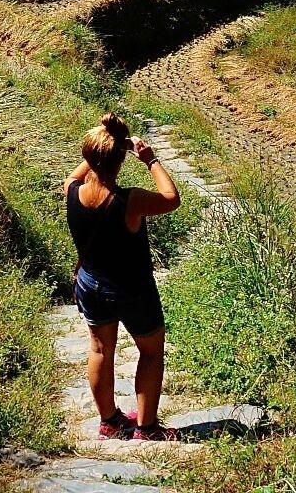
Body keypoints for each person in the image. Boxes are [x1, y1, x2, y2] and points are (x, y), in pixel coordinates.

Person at [64, 113, 181, 441]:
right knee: (151, 351)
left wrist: (103, 148)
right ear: (120, 160)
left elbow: (82, 169)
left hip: (90, 283)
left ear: (88, 158)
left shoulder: (72, 190)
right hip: (132, 288)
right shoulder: (130, 200)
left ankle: (110, 421)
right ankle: (146, 428)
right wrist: (150, 159)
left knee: (100, 349)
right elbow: (172, 198)